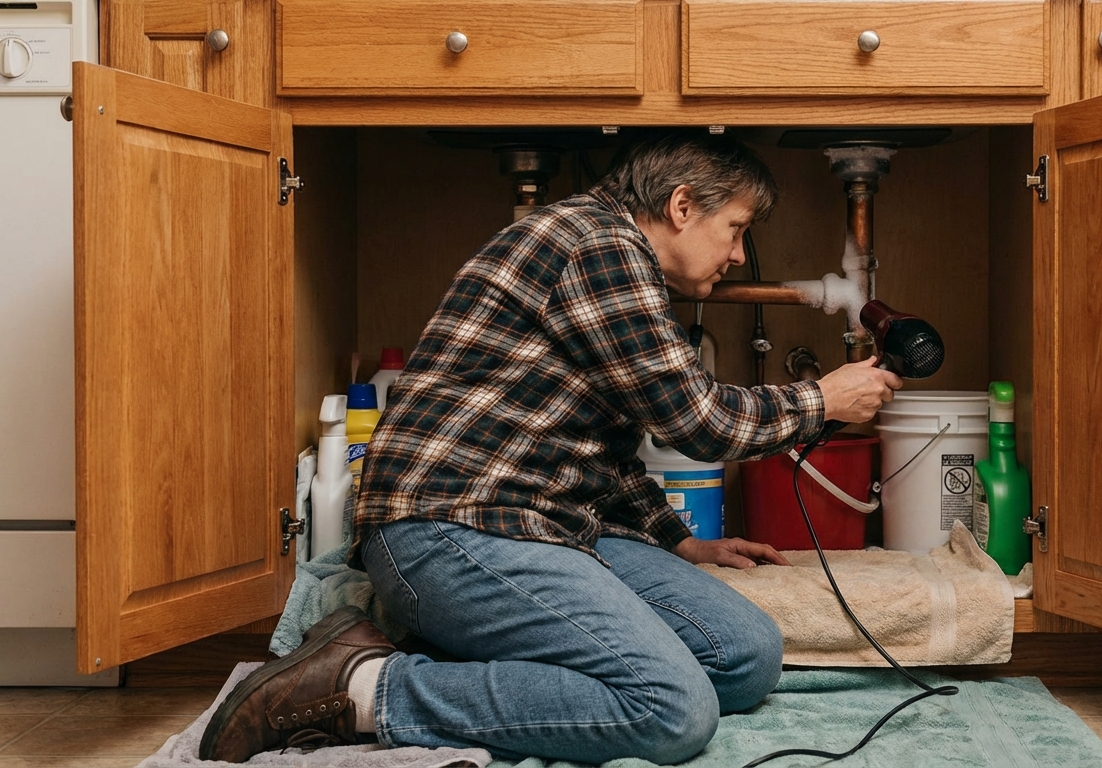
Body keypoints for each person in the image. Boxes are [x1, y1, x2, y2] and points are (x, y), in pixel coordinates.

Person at [200, 130, 902, 764]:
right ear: (683, 206)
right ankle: (362, 687)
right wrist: (824, 400)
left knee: (746, 655)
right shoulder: (597, 245)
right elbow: (699, 423)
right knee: (671, 711)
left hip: (545, 527)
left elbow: (602, 445)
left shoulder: (604, 250)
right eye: (736, 229)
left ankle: (489, 660)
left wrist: (676, 541)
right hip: (451, 526)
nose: (739, 253)